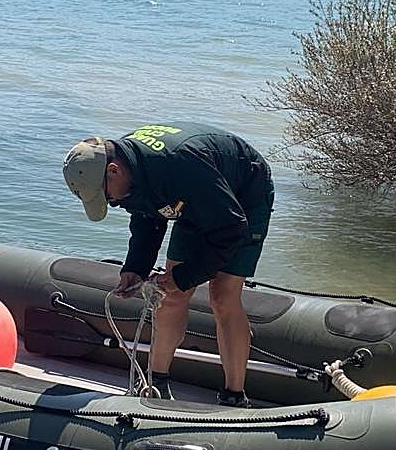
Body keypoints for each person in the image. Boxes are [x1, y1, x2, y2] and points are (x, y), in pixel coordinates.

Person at [62, 123, 275, 407]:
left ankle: (234, 394)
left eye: (107, 196)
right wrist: (135, 268)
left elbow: (231, 228)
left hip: (243, 198)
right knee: (171, 295)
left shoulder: (178, 164)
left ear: (114, 170)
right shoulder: (129, 165)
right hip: (193, 196)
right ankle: (156, 381)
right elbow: (146, 217)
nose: (111, 203)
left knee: (223, 296)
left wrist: (185, 276)